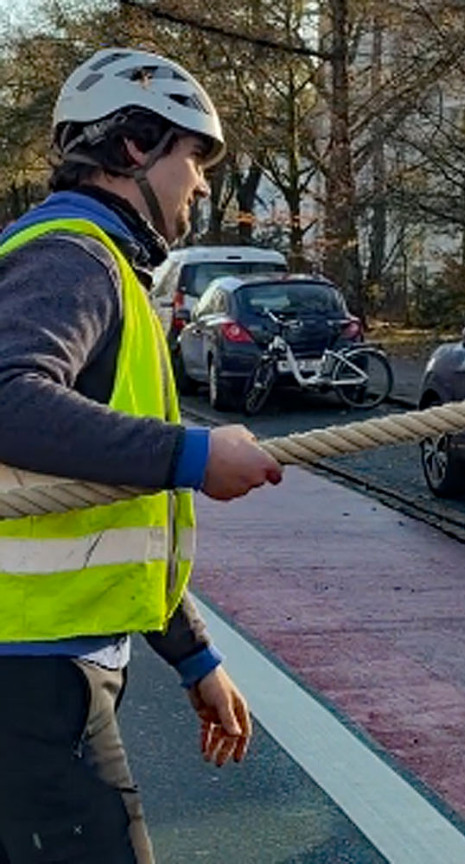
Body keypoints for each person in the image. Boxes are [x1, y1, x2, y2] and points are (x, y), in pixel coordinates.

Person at [0, 48, 283, 863]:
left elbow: (113, 508)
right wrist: (192, 455)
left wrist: (193, 655)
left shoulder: (93, 264)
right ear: (134, 147)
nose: (201, 185)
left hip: (44, 667)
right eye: (193, 157)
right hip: (31, 680)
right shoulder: (73, 257)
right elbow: (6, 397)